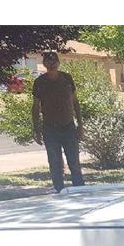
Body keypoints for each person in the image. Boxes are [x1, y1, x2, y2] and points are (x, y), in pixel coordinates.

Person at [31, 51, 85, 192]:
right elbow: (36, 107)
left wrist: (80, 125)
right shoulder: (39, 82)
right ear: (44, 64)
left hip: (68, 127)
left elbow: (75, 102)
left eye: (54, 61)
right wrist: (36, 130)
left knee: (74, 163)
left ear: (58, 62)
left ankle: (80, 192)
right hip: (50, 129)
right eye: (48, 61)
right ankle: (60, 191)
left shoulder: (67, 79)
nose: (51, 63)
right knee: (55, 163)